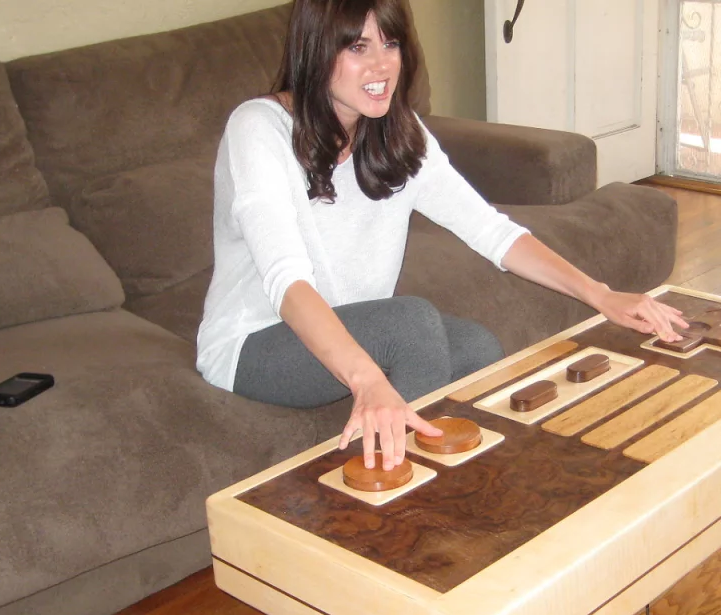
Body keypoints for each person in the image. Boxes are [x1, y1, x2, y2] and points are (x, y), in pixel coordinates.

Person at [197, 0, 687, 473]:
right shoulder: (259, 130)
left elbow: (489, 230)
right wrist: (367, 381)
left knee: (478, 349)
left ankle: (465, 489)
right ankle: (384, 502)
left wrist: (600, 295)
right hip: (254, 344)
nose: (382, 65)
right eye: (358, 48)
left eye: (391, 44)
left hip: (351, 323)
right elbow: (287, 282)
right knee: (411, 324)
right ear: (317, 51)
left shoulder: (398, 131)